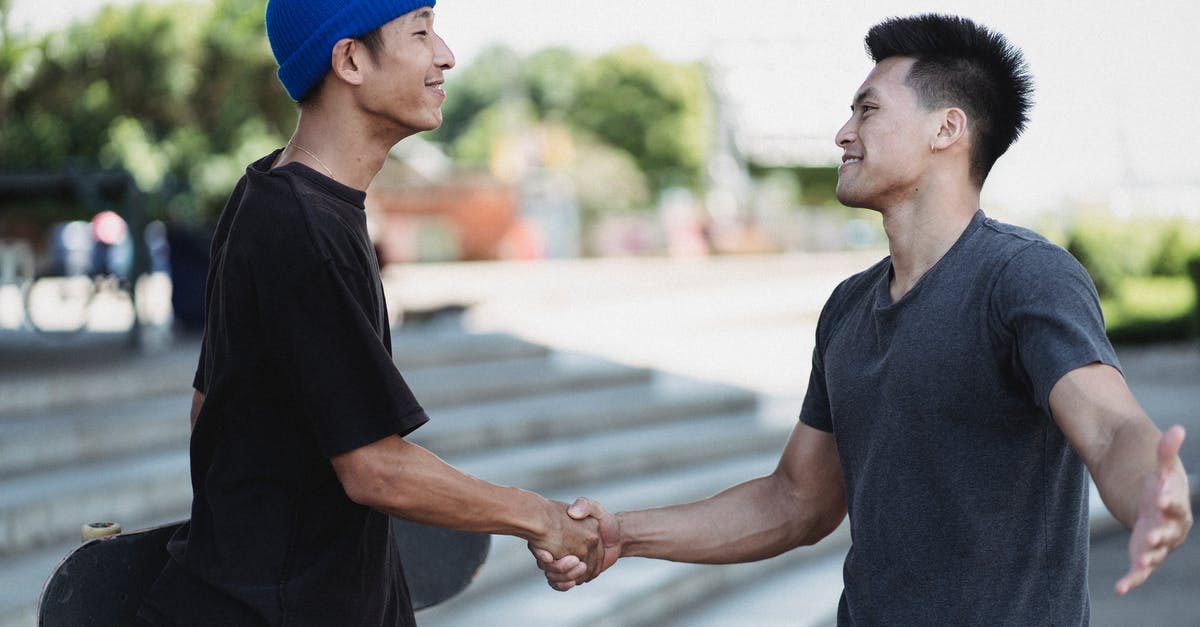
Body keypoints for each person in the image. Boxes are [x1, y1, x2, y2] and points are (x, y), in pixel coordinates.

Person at [538, 13, 1192, 624]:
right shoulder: (848, 309)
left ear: (946, 129)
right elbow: (796, 500)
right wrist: (627, 533)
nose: (843, 133)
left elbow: (1108, 428)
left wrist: (1147, 494)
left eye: (868, 110)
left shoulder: (1023, 277)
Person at [139, 2, 601, 625]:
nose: (446, 56)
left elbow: (208, 407)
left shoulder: (270, 191)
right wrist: (541, 518)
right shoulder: (302, 228)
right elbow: (374, 469)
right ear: (350, 59)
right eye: (420, 33)